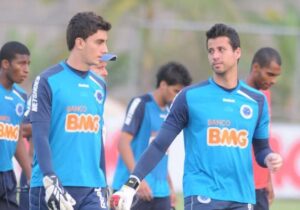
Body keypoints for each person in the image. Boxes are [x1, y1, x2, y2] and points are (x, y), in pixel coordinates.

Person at [110, 23, 283, 210]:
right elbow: (159, 145)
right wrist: (130, 185)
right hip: (203, 194)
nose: (215, 55)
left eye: (221, 49)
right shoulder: (189, 97)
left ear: (237, 52)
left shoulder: (256, 101)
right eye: (211, 50)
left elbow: (261, 149)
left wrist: (269, 157)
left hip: (242, 197)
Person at [29, 12, 113, 210]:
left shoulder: (99, 85)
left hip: (93, 188)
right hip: (52, 185)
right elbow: (39, 136)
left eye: (105, 42)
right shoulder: (47, 80)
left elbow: (97, 137)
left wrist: (103, 181)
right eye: (99, 42)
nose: (105, 49)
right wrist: (50, 177)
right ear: (80, 42)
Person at [112, 62, 192, 210]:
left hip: (161, 193)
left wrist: (170, 187)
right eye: (176, 91)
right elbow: (123, 144)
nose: (178, 96)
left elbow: (161, 152)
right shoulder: (141, 104)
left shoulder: (171, 112)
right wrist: (137, 181)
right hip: (134, 190)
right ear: (163, 85)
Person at [246, 47, 282, 210]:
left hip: (260, 186)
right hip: (241, 185)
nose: (273, 80)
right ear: (256, 68)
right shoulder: (237, 95)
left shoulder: (265, 95)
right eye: (270, 74)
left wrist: (267, 179)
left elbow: (263, 142)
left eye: (276, 76)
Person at [0, 41, 32, 210]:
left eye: (28, 64)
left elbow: (16, 135)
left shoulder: (21, 97)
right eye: (21, 63)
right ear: (5, 64)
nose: (26, 69)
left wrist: (29, 172)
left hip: (7, 175)